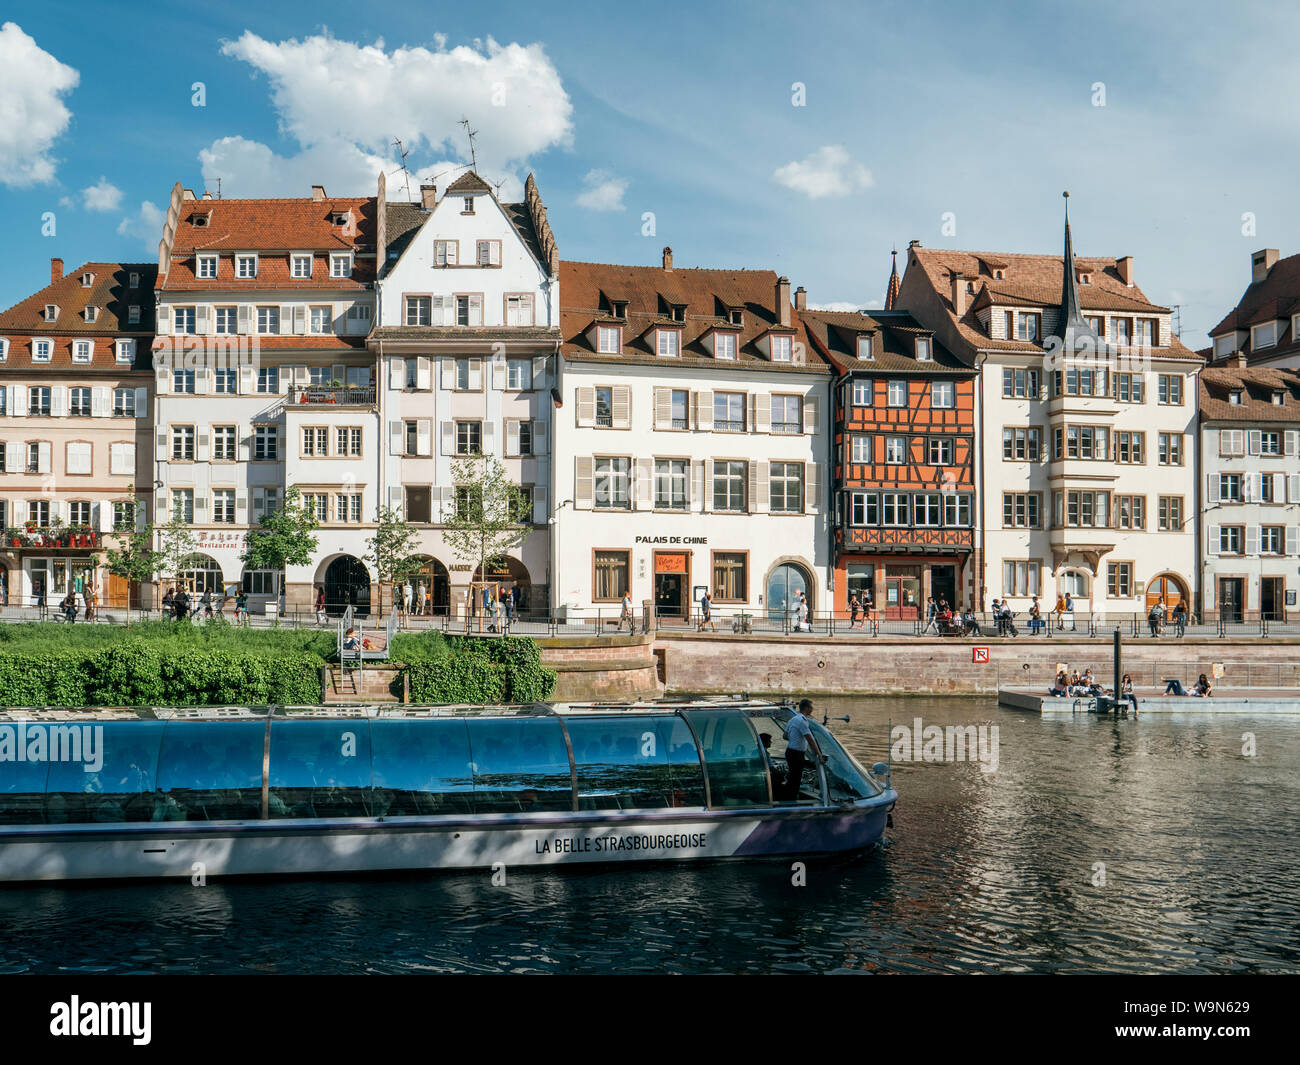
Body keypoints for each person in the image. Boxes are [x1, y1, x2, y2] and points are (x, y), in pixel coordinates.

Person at [782, 699, 827, 802]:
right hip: (797, 754)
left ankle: (788, 798)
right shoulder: (802, 721)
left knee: (792, 777)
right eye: (811, 708)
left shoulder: (793, 719)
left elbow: (784, 736)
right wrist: (819, 755)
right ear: (807, 708)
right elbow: (810, 740)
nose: (812, 710)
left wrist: (795, 738)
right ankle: (791, 801)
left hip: (789, 752)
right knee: (796, 779)